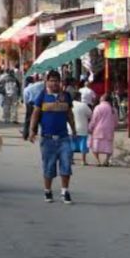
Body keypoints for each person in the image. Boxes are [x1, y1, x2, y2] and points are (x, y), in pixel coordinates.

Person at [28, 71, 77, 204]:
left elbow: (70, 114)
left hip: (64, 138)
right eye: (52, 80)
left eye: (57, 80)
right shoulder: (42, 96)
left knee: (66, 165)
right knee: (49, 166)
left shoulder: (66, 96)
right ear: (47, 82)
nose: (54, 83)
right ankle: (47, 191)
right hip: (47, 138)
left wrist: (74, 130)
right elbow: (35, 114)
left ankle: (65, 191)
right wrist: (32, 130)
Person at [88, 94, 117, 167]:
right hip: (109, 130)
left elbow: (94, 119)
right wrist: (114, 127)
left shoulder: (98, 107)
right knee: (108, 146)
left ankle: (98, 161)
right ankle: (106, 160)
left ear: (103, 99)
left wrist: (90, 127)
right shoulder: (113, 109)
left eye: (101, 97)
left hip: (98, 130)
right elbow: (116, 120)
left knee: (95, 147)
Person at [71, 96, 93, 167]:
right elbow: (90, 114)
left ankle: (70, 159)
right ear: (79, 98)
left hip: (71, 128)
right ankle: (83, 161)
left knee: (71, 144)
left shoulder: (69, 105)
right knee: (83, 144)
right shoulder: (83, 105)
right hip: (82, 128)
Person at [21, 75, 43, 141]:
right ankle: (43, 134)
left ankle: (25, 135)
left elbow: (26, 100)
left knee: (28, 120)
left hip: (30, 105)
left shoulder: (26, 89)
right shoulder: (39, 84)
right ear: (33, 80)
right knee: (41, 119)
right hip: (40, 104)